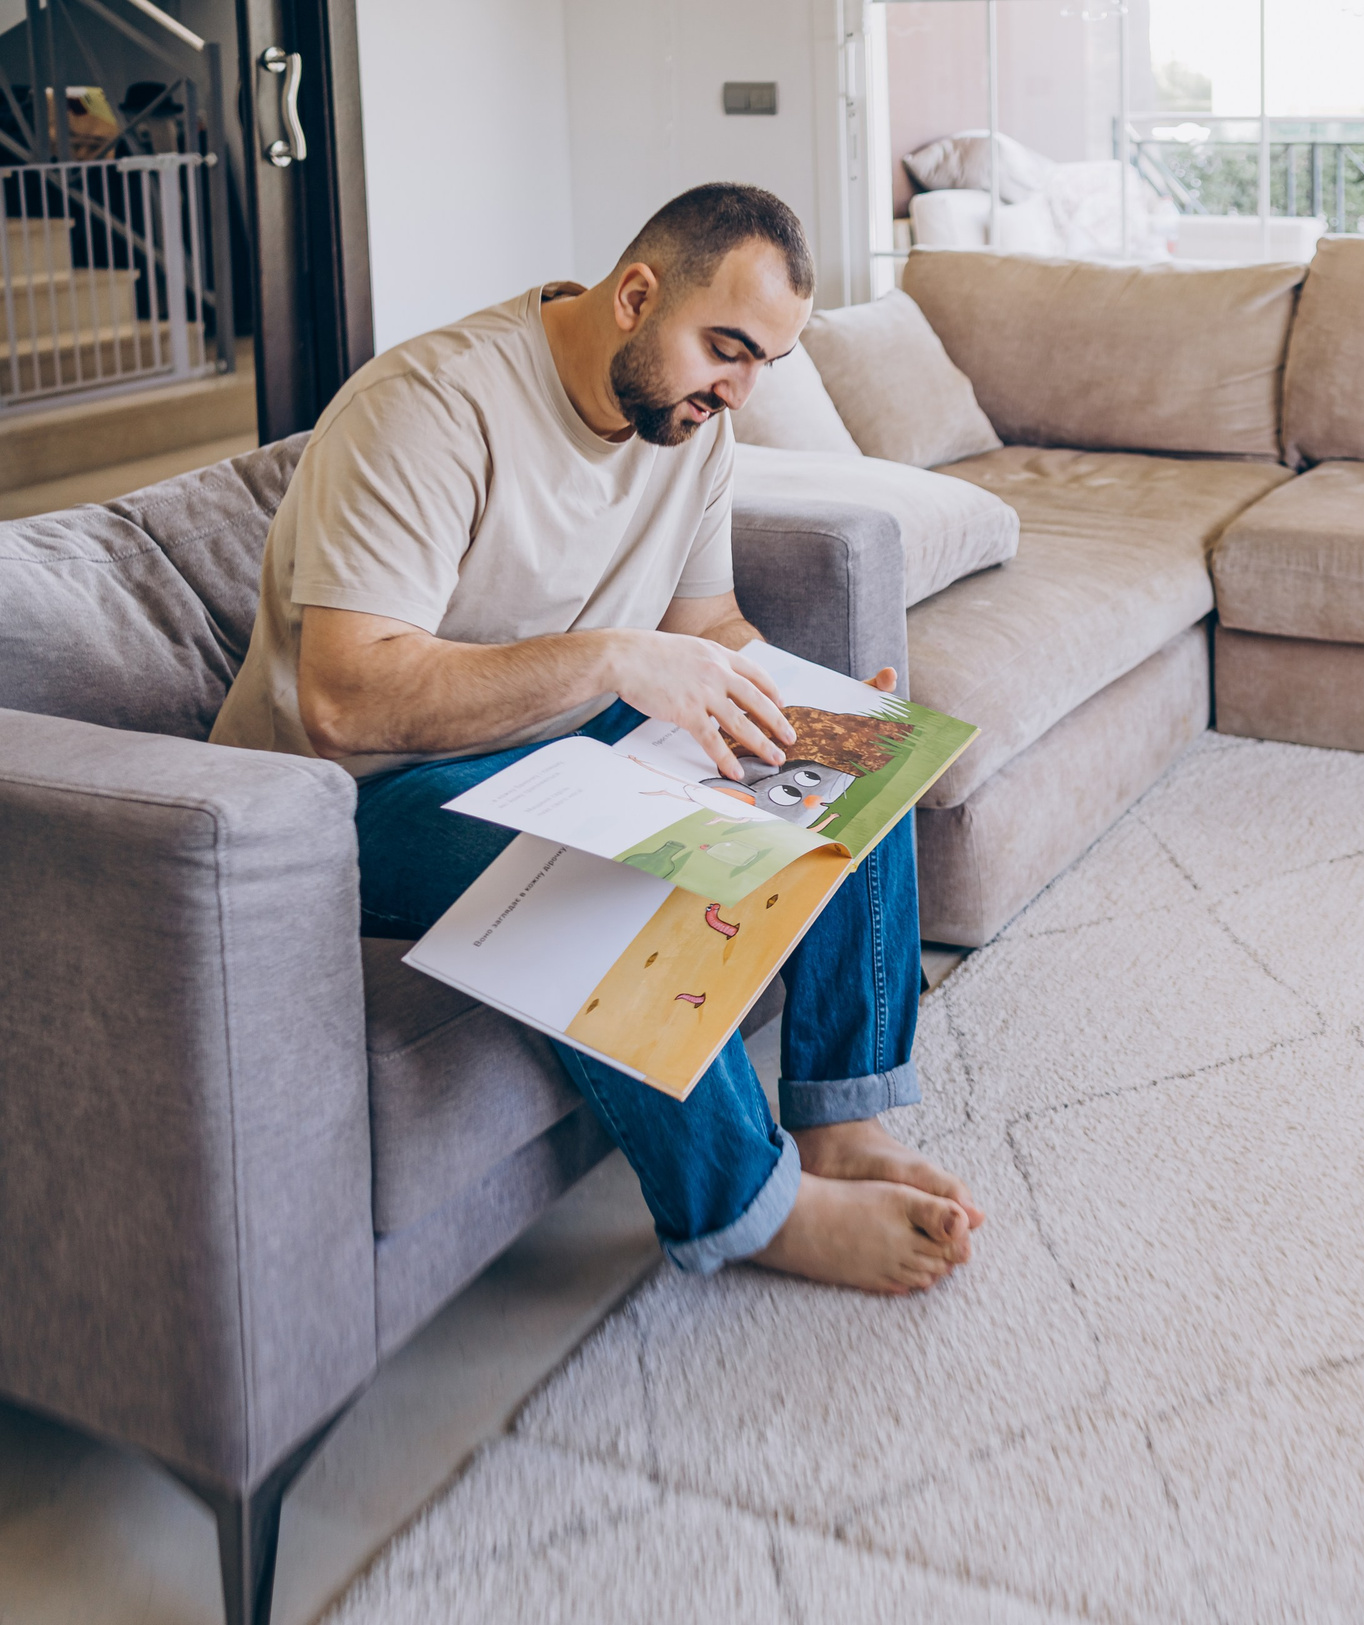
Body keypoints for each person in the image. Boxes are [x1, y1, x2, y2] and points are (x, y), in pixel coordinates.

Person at [211, 183, 985, 1295]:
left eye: (764, 362)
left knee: (854, 757)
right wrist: (614, 660)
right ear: (634, 296)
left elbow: (706, 628)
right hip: (351, 797)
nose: (739, 390)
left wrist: (798, 701)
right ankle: (749, 1206)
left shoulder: (691, 424)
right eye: (727, 349)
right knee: (600, 879)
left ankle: (843, 1119)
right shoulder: (427, 406)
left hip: (553, 747)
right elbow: (346, 698)